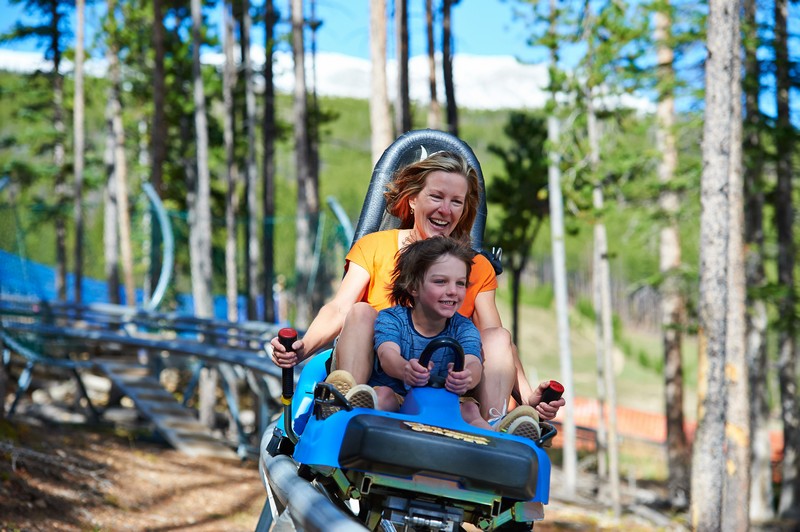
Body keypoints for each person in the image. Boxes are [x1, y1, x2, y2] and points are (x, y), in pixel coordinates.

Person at [270, 150, 565, 425]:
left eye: (456, 201)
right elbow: (339, 309)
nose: (445, 210)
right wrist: (302, 348)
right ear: (413, 199)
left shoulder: (476, 267)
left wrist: (527, 396)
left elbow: (498, 343)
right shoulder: (375, 247)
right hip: (377, 379)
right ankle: (350, 409)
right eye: (436, 196)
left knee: (497, 335)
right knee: (361, 312)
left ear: (464, 209)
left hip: (445, 385)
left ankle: (493, 429)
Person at [366, 236, 539, 438]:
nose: (452, 292)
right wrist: (405, 369)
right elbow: (388, 354)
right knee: (384, 396)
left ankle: (496, 439)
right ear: (413, 287)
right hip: (399, 399)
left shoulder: (464, 328)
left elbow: (474, 361)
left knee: (470, 410)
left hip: (447, 406)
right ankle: (355, 420)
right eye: (440, 282)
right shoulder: (392, 318)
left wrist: (466, 377)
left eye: (460, 284)